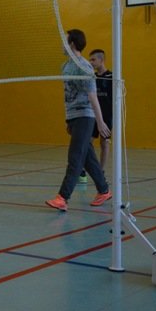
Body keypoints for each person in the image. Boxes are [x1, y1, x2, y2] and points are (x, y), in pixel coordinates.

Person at [45, 29, 112, 212]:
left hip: (85, 116)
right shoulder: (65, 66)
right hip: (74, 117)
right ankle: (104, 190)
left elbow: (92, 96)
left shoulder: (84, 67)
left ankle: (62, 197)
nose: (62, 44)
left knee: (75, 157)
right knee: (88, 158)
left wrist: (100, 121)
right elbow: (68, 95)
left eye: (65, 41)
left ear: (72, 44)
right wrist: (69, 119)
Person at [79, 48, 113, 183]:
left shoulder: (111, 77)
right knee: (87, 143)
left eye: (93, 59)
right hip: (92, 115)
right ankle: (82, 171)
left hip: (107, 116)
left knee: (104, 143)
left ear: (101, 60)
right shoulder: (91, 77)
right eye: (90, 60)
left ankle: (100, 172)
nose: (91, 62)